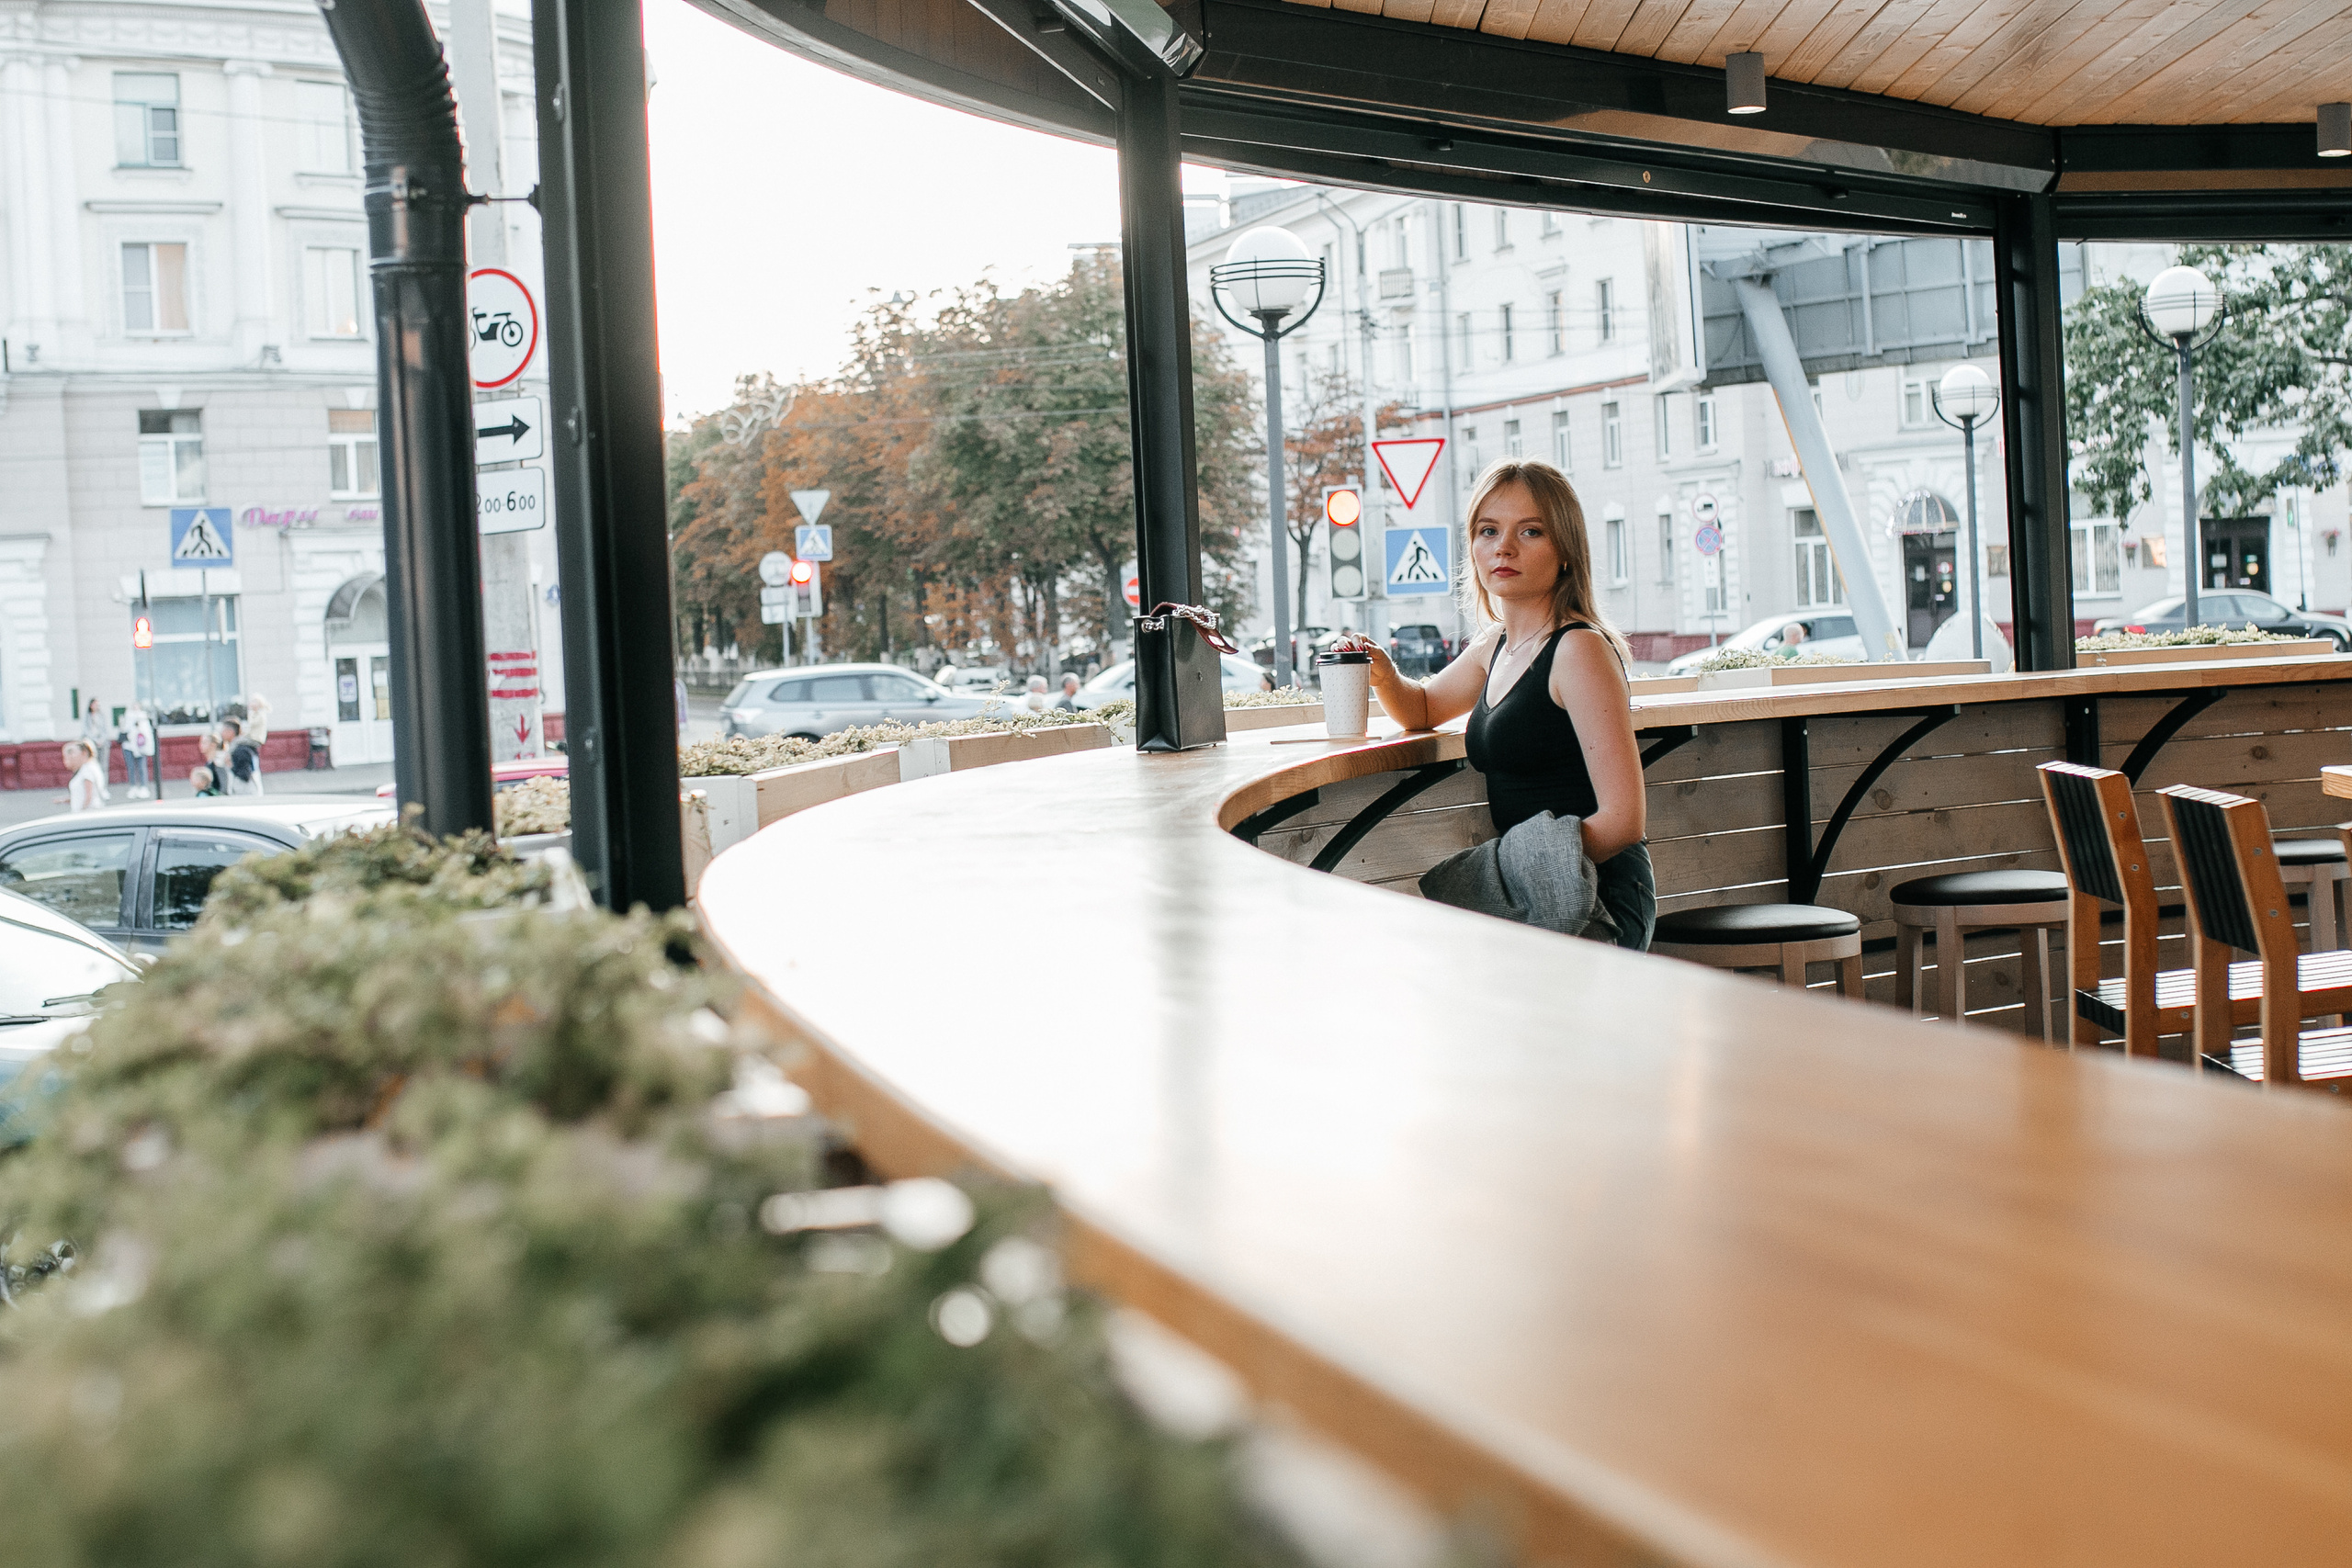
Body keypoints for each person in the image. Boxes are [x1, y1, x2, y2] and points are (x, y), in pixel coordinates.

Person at [1332, 458, 1653, 950]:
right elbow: (1421, 708)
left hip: (1597, 897)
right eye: (1488, 531)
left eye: (1530, 531)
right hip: (1532, 892)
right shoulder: (1495, 645)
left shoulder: (1578, 650)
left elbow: (1624, 820)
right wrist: (1382, 672)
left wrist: (1503, 870)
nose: (1503, 547)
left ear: (1566, 550)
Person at [217, 716, 265, 795]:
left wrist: (230, 765)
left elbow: (245, 774)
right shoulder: (236, 747)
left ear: (230, 732)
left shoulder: (240, 749)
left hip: (246, 793)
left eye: (223, 730)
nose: (221, 734)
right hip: (245, 791)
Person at [63, 740, 108, 813]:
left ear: (84, 753)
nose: (72, 756)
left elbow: (89, 796)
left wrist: (81, 812)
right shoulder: (89, 767)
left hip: (88, 813)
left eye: (74, 753)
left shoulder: (87, 770)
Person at [123, 704, 156, 799]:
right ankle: (133, 787)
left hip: (141, 747)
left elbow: (147, 733)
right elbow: (124, 729)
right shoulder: (128, 717)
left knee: (142, 767)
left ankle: (143, 787)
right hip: (129, 746)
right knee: (131, 768)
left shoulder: (143, 718)